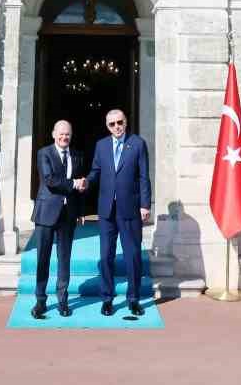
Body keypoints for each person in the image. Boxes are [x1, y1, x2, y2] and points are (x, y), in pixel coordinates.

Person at [85, 108, 151, 317]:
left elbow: (143, 176)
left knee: (132, 256)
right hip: (106, 211)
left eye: (119, 122)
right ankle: (107, 299)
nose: (117, 127)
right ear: (107, 126)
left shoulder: (138, 143)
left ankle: (133, 299)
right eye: (112, 124)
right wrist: (86, 181)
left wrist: (145, 205)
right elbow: (96, 172)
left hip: (130, 209)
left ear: (126, 121)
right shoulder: (101, 146)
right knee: (106, 256)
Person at [31, 120, 86, 319]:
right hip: (46, 213)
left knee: (64, 259)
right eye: (61, 134)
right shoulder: (44, 153)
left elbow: (80, 190)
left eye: (68, 134)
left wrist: (80, 211)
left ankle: (63, 301)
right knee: (42, 259)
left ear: (71, 136)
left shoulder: (78, 156)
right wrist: (74, 183)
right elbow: (50, 180)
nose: (64, 137)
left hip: (68, 215)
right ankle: (40, 301)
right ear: (54, 134)